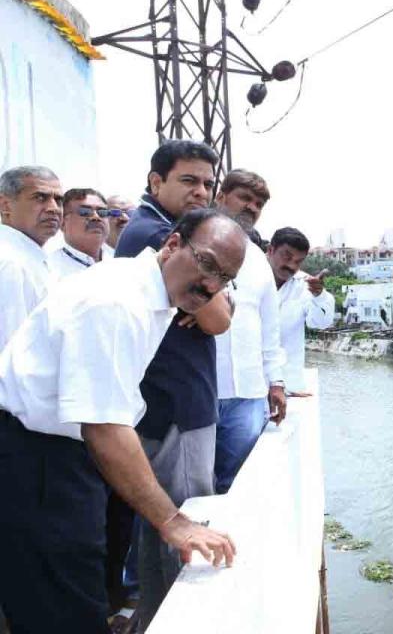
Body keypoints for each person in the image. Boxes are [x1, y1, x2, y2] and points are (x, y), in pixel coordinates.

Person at [0, 209, 243, 634]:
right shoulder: (115, 301)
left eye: (224, 278)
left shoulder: (154, 291)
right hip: (36, 458)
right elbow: (104, 427)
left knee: (70, 590)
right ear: (172, 245)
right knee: (63, 609)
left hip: (60, 455)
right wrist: (173, 522)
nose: (211, 285)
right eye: (206, 263)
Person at [113, 140, 234, 629]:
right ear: (155, 181)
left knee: (159, 533)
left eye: (208, 183)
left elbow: (217, 310)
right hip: (178, 409)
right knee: (185, 527)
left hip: (172, 406)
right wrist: (219, 300)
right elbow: (221, 320)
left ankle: (150, 620)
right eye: (188, 180)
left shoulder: (160, 233)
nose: (200, 191)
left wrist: (215, 301)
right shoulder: (156, 233)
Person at [212, 169, 285, 493]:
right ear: (221, 197)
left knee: (239, 484)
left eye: (258, 204)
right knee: (192, 487)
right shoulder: (191, 244)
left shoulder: (257, 261)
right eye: (244, 198)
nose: (251, 207)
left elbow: (270, 329)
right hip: (201, 392)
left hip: (249, 395)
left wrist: (277, 382)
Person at [265, 228, 336, 395]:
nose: (291, 266)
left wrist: (319, 296)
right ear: (270, 250)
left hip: (288, 387)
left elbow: (320, 323)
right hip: (249, 386)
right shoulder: (246, 278)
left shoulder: (305, 284)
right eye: (287, 257)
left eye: (298, 261)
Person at [0, 165, 62, 349]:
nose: (53, 208)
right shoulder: (9, 263)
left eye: (58, 200)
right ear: (5, 206)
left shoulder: (28, 256)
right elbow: (11, 351)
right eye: (40, 198)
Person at [48, 188, 110, 279]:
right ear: (62, 222)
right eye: (85, 212)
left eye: (102, 212)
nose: (96, 217)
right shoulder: (48, 270)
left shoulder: (121, 264)